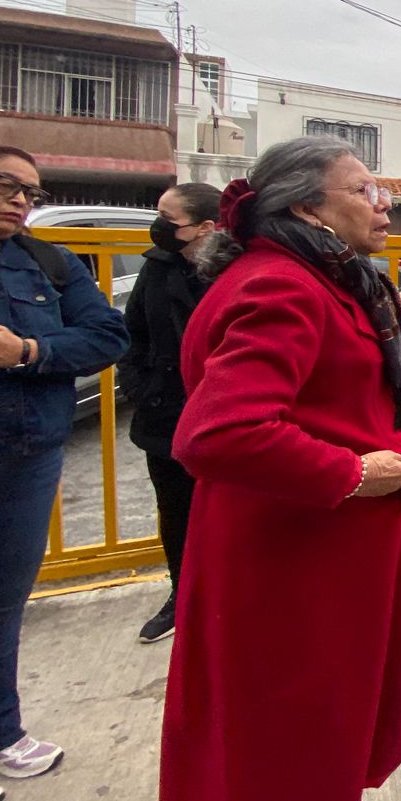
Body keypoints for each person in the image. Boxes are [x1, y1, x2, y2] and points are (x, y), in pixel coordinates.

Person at [160, 137, 401, 801]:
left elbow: (323, 390)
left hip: (331, 552)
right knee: (278, 719)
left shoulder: (320, 275)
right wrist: (348, 473)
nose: (383, 206)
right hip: (293, 554)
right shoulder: (280, 286)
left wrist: (397, 392)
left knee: (331, 704)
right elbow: (220, 432)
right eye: (364, 191)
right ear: (306, 208)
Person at [0, 144, 128, 801]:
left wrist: (27, 352)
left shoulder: (47, 263)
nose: (20, 200)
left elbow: (107, 335)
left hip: (26, 457)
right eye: (4, 184)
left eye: (30, 191)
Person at [118, 181, 221, 645]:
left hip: (222, 416)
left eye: (167, 217)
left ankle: (227, 598)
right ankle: (182, 596)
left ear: (206, 228)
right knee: (175, 510)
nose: (157, 225)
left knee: (231, 512)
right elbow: (134, 333)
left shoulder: (237, 271)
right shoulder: (157, 267)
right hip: (165, 414)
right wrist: (141, 388)